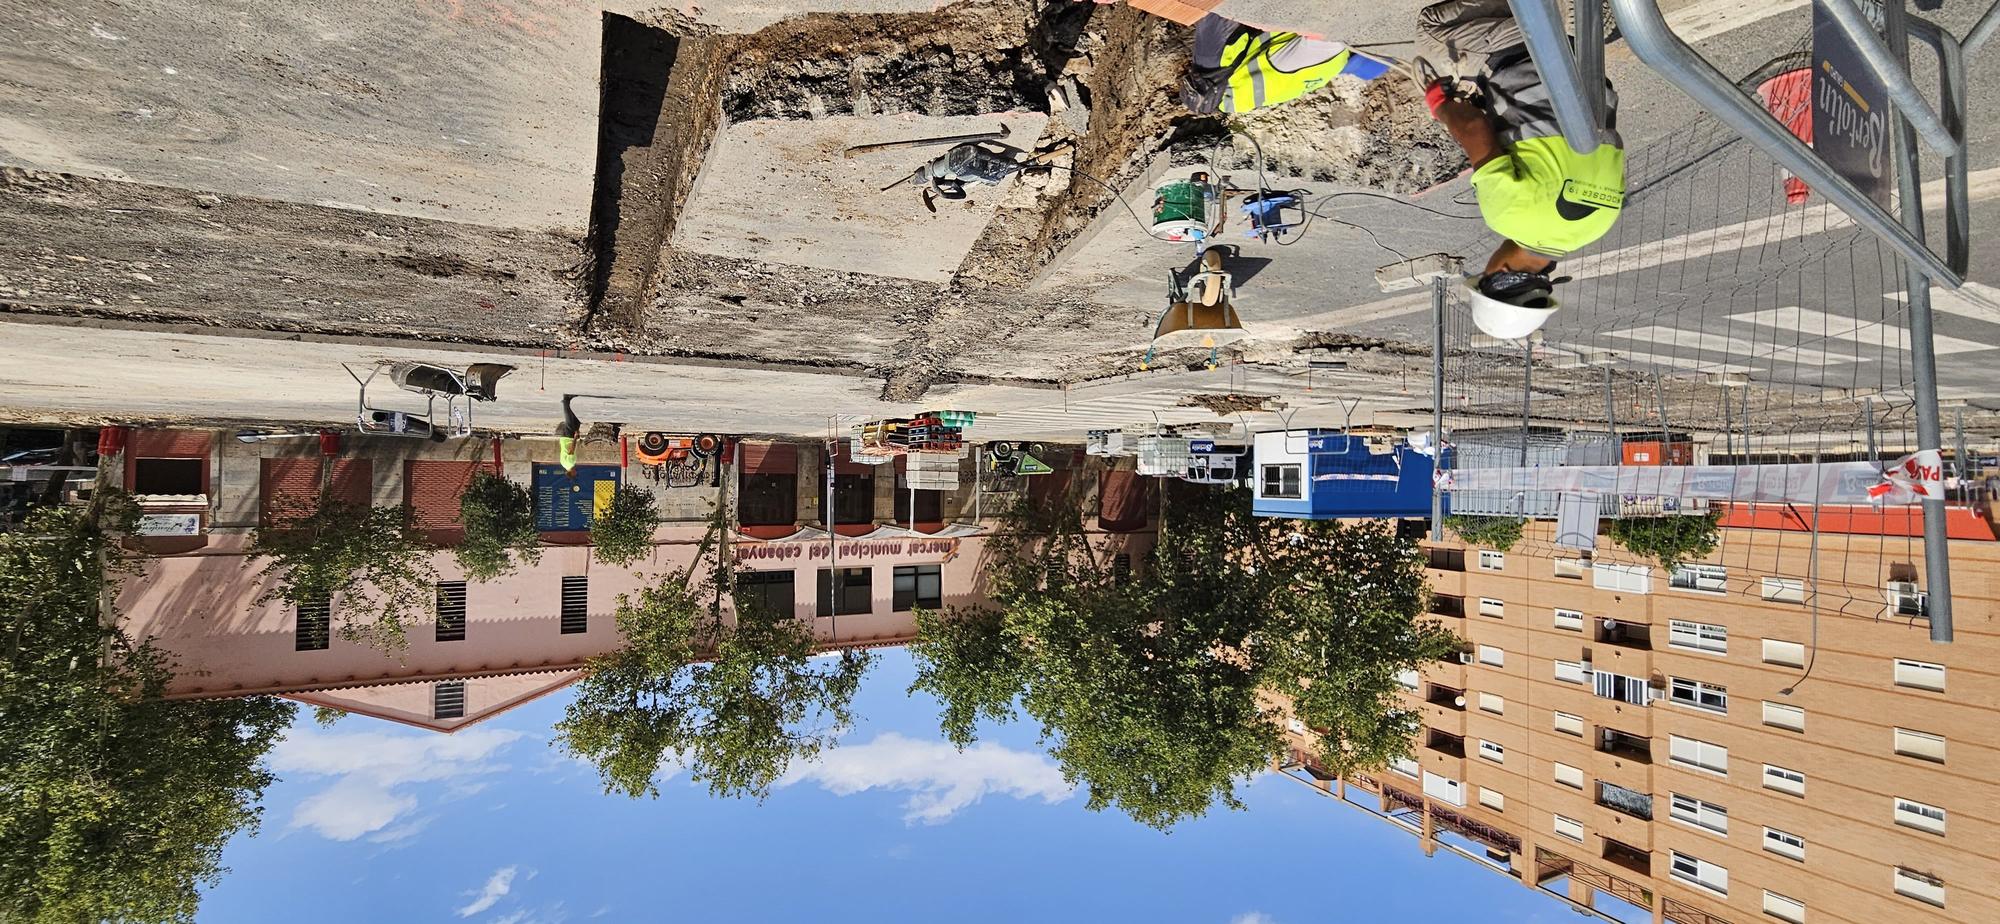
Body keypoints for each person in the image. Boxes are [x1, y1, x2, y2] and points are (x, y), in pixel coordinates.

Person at [1418, 0, 1625, 336]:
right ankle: (1542, 17)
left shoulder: (1597, 225)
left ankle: (1574, 25)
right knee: (1431, 31)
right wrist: (1440, 106)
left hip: (1587, 68)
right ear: (1498, 273)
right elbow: (1472, 127)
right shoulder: (1508, 217)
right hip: (1527, 55)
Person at [1183, 13, 1391, 114]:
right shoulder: (1326, 66)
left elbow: (1328, 23)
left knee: (1220, 10)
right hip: (1217, 87)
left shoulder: (1331, 57)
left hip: (1220, 76)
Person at [555, 394, 581, 476]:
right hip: (564, 439)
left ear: (571, 473)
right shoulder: (564, 465)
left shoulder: (570, 463)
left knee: (569, 420)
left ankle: (565, 401)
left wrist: (575, 438)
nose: (576, 472)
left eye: (574, 473)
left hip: (569, 438)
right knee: (576, 422)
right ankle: (567, 402)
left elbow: (571, 450)